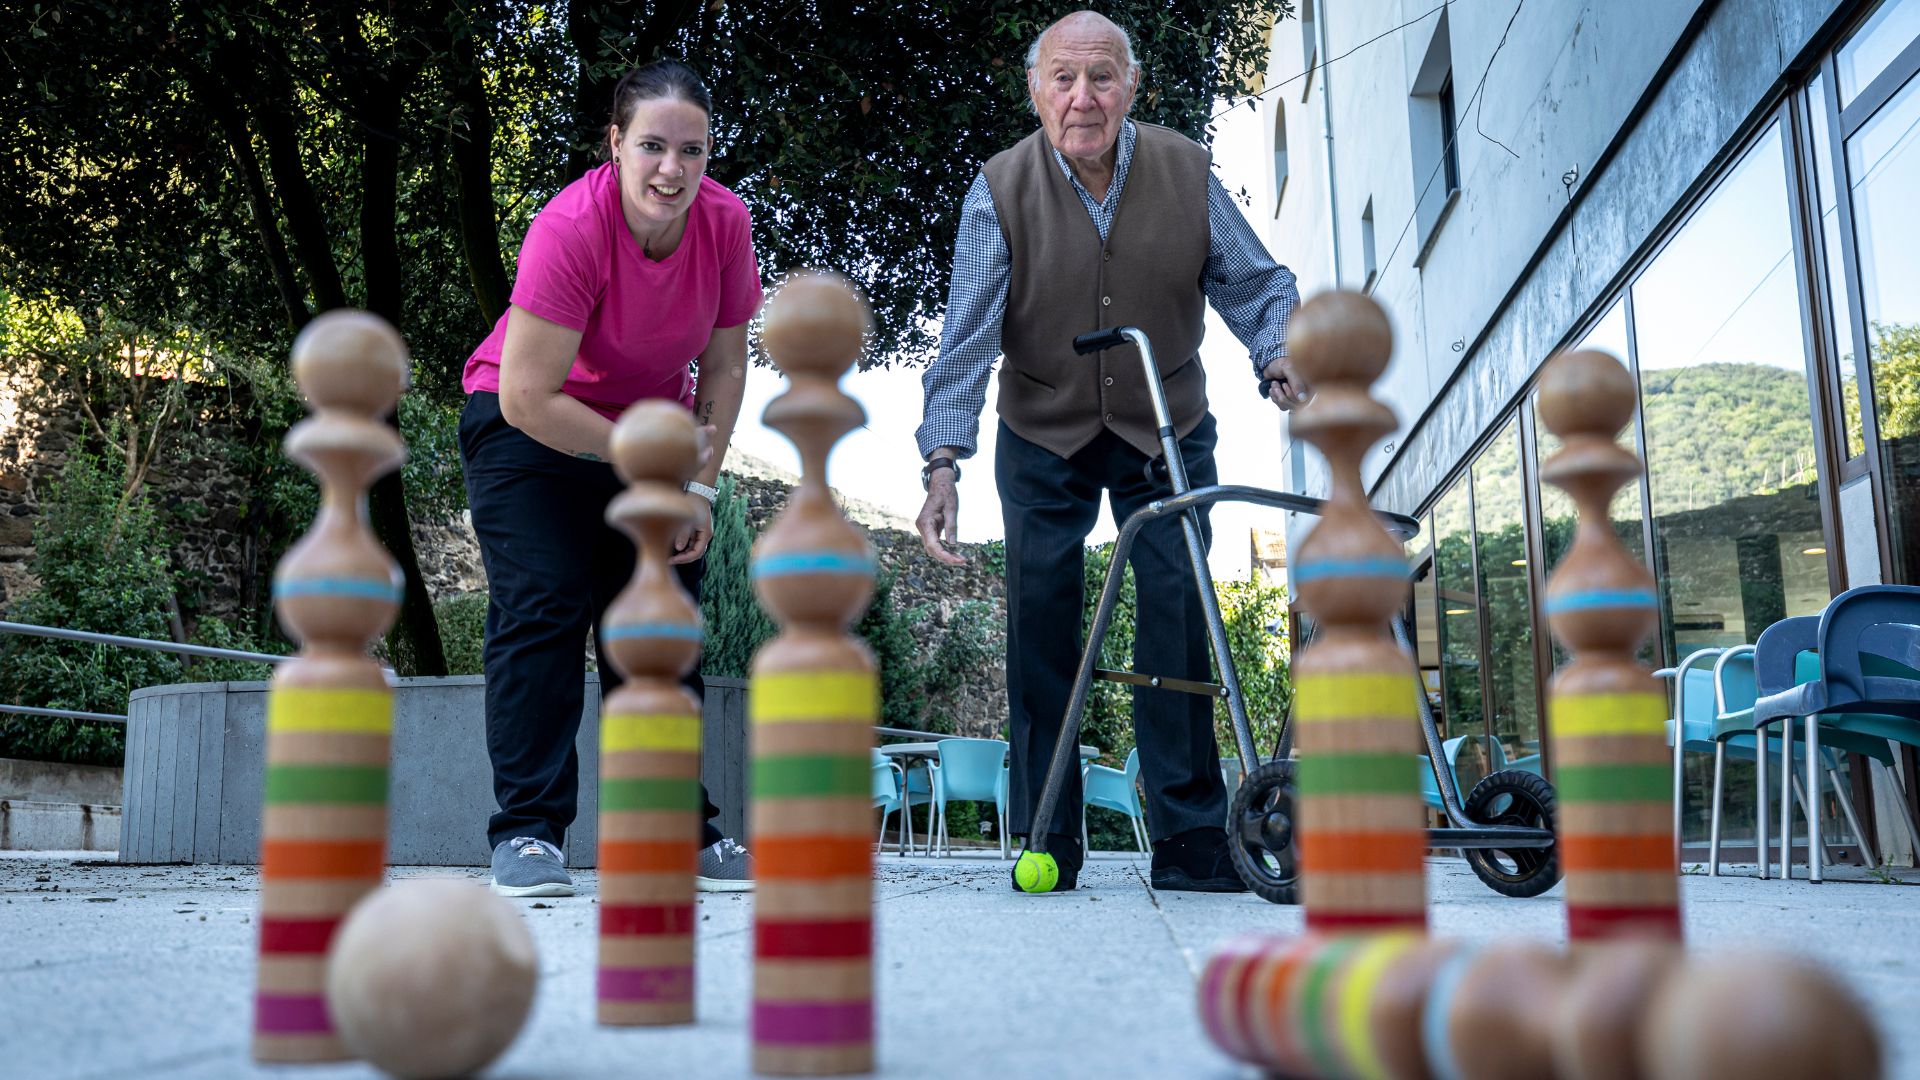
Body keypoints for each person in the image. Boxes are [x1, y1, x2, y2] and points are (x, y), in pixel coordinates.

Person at [914, 11, 1311, 893]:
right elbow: (967, 339)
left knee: (1177, 605)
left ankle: (1191, 836)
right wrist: (944, 461)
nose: (1082, 98)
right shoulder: (999, 190)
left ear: (1132, 88)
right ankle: (1046, 831)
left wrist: (1276, 350)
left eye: (1102, 78)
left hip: (1163, 421)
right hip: (1043, 428)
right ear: (1036, 90)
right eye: (1064, 78)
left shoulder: (1185, 171)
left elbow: (1258, 281)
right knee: (1041, 615)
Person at [460, 60, 761, 898]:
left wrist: (697, 486)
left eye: (692, 151)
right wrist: (653, 459)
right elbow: (528, 396)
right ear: (617, 143)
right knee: (546, 605)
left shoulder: (724, 223)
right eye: (654, 147)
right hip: (530, 430)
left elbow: (728, 366)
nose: (672, 168)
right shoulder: (570, 228)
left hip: (651, 437)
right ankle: (526, 834)